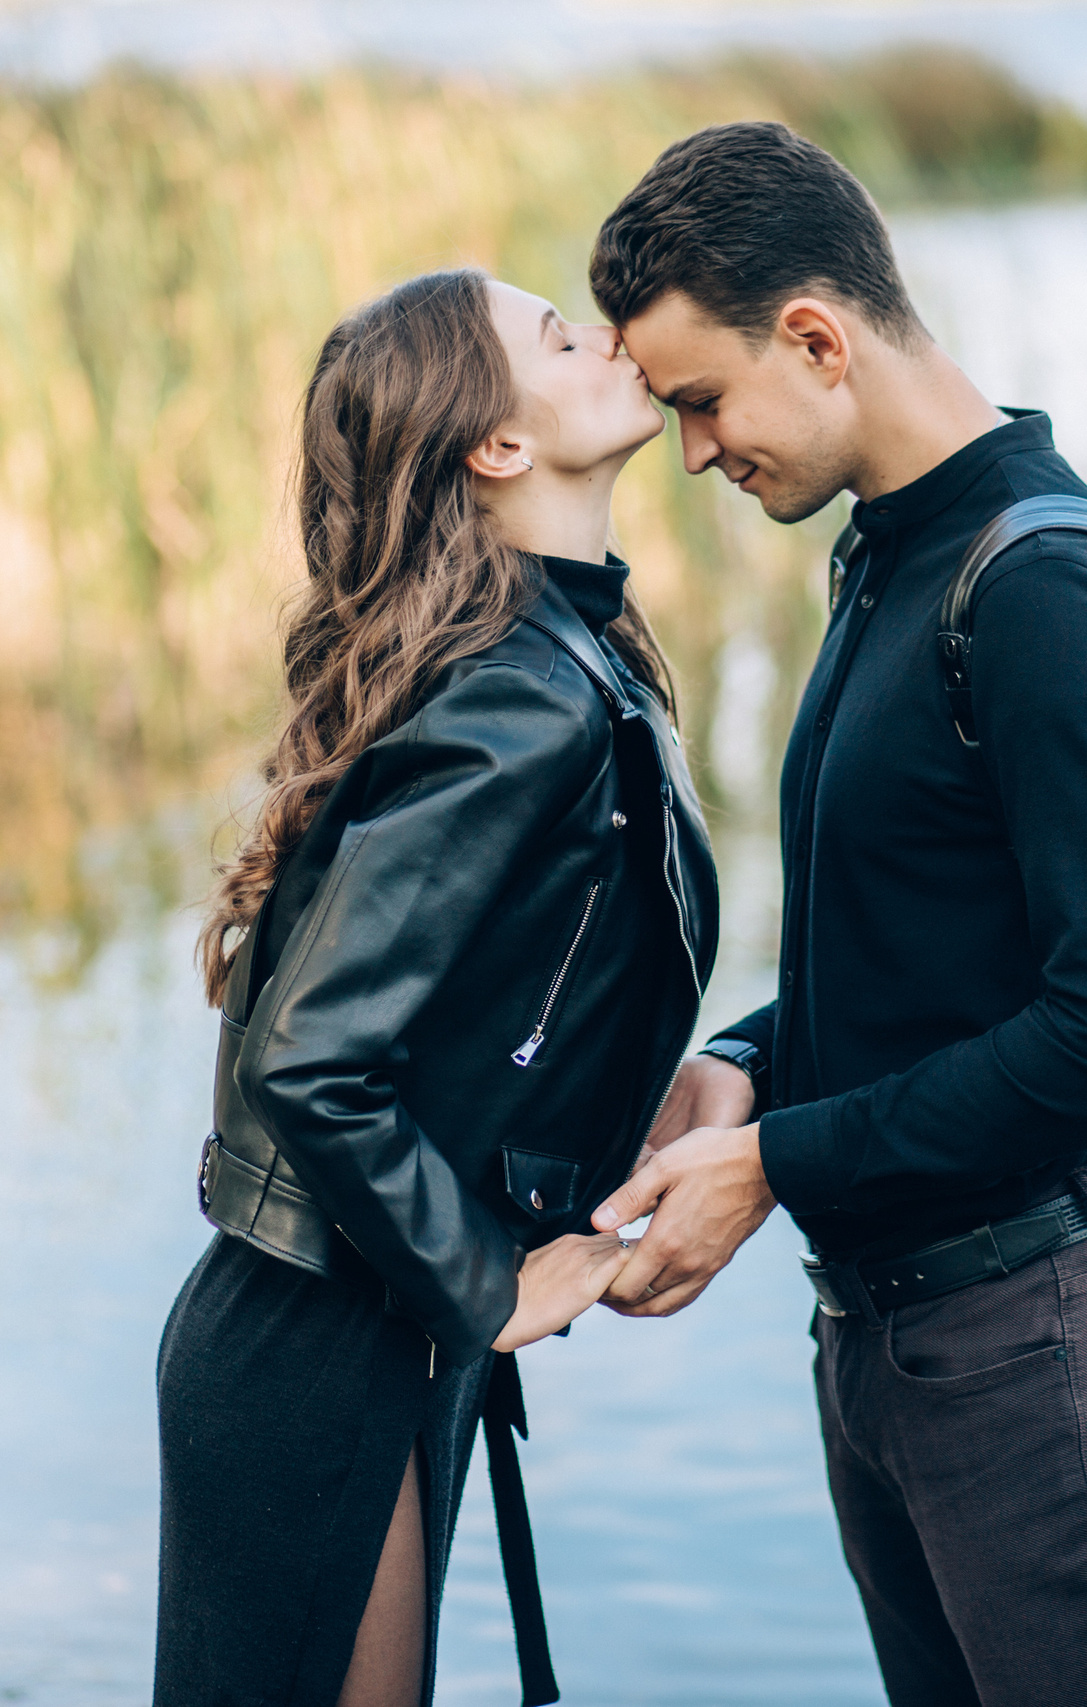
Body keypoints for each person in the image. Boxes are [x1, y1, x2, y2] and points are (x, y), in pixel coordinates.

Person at [586, 124, 1087, 1707]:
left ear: (815, 337)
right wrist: (753, 1065)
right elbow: (928, 950)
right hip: (903, 1342)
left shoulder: (1045, 592)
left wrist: (775, 1166)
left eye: (699, 402)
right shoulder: (889, 557)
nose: (692, 453)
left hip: (1051, 1334)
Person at [155, 267, 719, 1707]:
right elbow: (311, 1054)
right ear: (499, 446)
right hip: (318, 1338)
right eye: (556, 335)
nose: (602, 337)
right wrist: (491, 1283)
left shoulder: (556, 654)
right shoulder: (521, 693)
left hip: (356, 1317)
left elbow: (481, 1008)